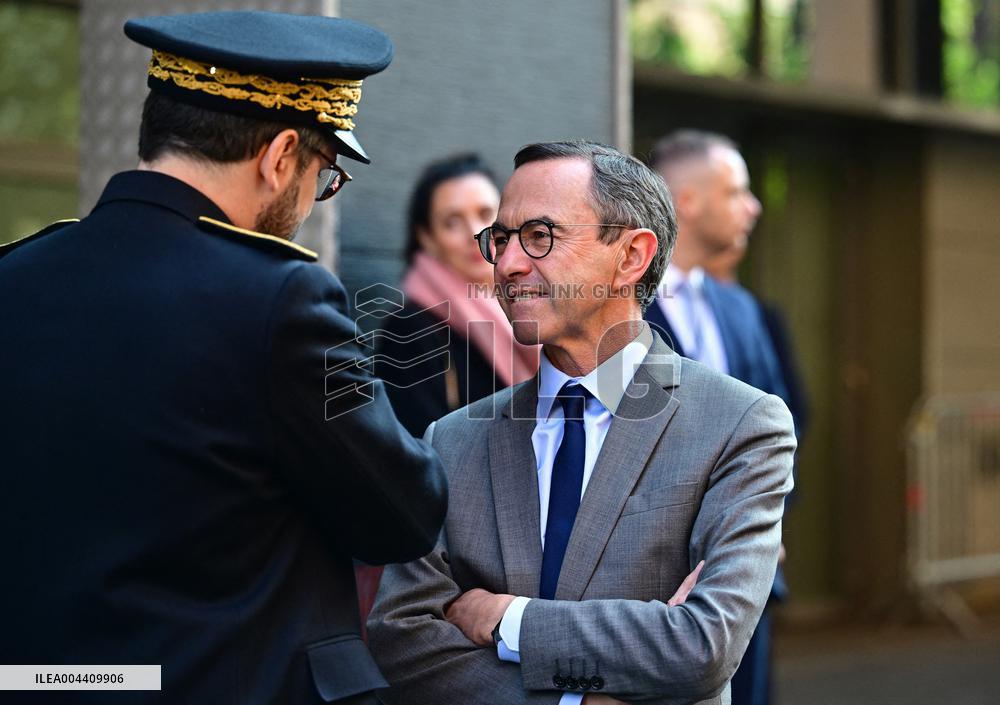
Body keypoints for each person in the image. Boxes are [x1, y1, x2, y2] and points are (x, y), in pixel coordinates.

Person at [0, 11, 447, 705]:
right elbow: (403, 512)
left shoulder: (15, 275)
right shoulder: (281, 297)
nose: (309, 199)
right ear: (279, 155)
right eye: (323, 174)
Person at [368, 140, 796, 705]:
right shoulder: (453, 440)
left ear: (632, 256)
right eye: (501, 238)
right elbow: (400, 637)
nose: (509, 263)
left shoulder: (739, 426)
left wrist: (509, 619)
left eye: (541, 236)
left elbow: (703, 645)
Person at [646, 130, 798, 705]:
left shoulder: (742, 308)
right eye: (737, 191)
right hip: (655, 591)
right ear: (688, 202)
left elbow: (781, 421)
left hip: (749, 576)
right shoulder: (615, 308)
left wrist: (765, 517)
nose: (753, 206)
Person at [376, 153, 538, 438]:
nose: (474, 233)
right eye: (452, 222)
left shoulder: (533, 304)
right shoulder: (410, 328)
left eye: (486, 215)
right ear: (427, 238)